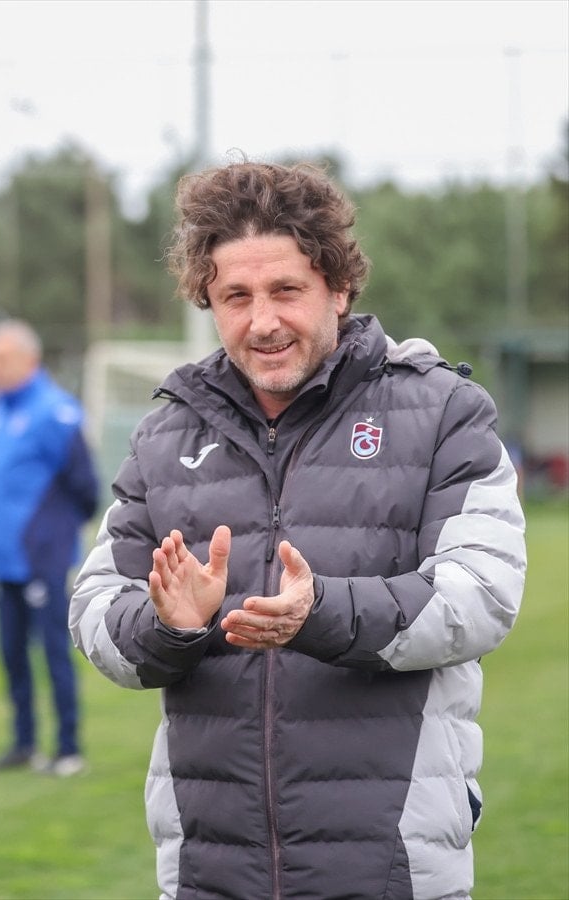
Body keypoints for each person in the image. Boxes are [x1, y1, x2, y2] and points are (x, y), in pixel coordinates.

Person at [69, 160, 526, 899]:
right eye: (236, 297)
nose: (263, 322)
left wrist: (321, 612)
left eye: (286, 290)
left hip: (390, 868)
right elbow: (94, 610)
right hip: (210, 871)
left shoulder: (445, 410)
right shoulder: (164, 436)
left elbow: (481, 595)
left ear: (337, 287)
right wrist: (169, 627)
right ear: (209, 302)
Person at [0, 318, 99, 777]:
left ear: (30, 360)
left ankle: (68, 747)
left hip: (41, 558)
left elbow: (85, 487)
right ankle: (24, 743)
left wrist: (53, 534)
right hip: (3, 561)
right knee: (12, 656)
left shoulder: (54, 412)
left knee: (53, 652)